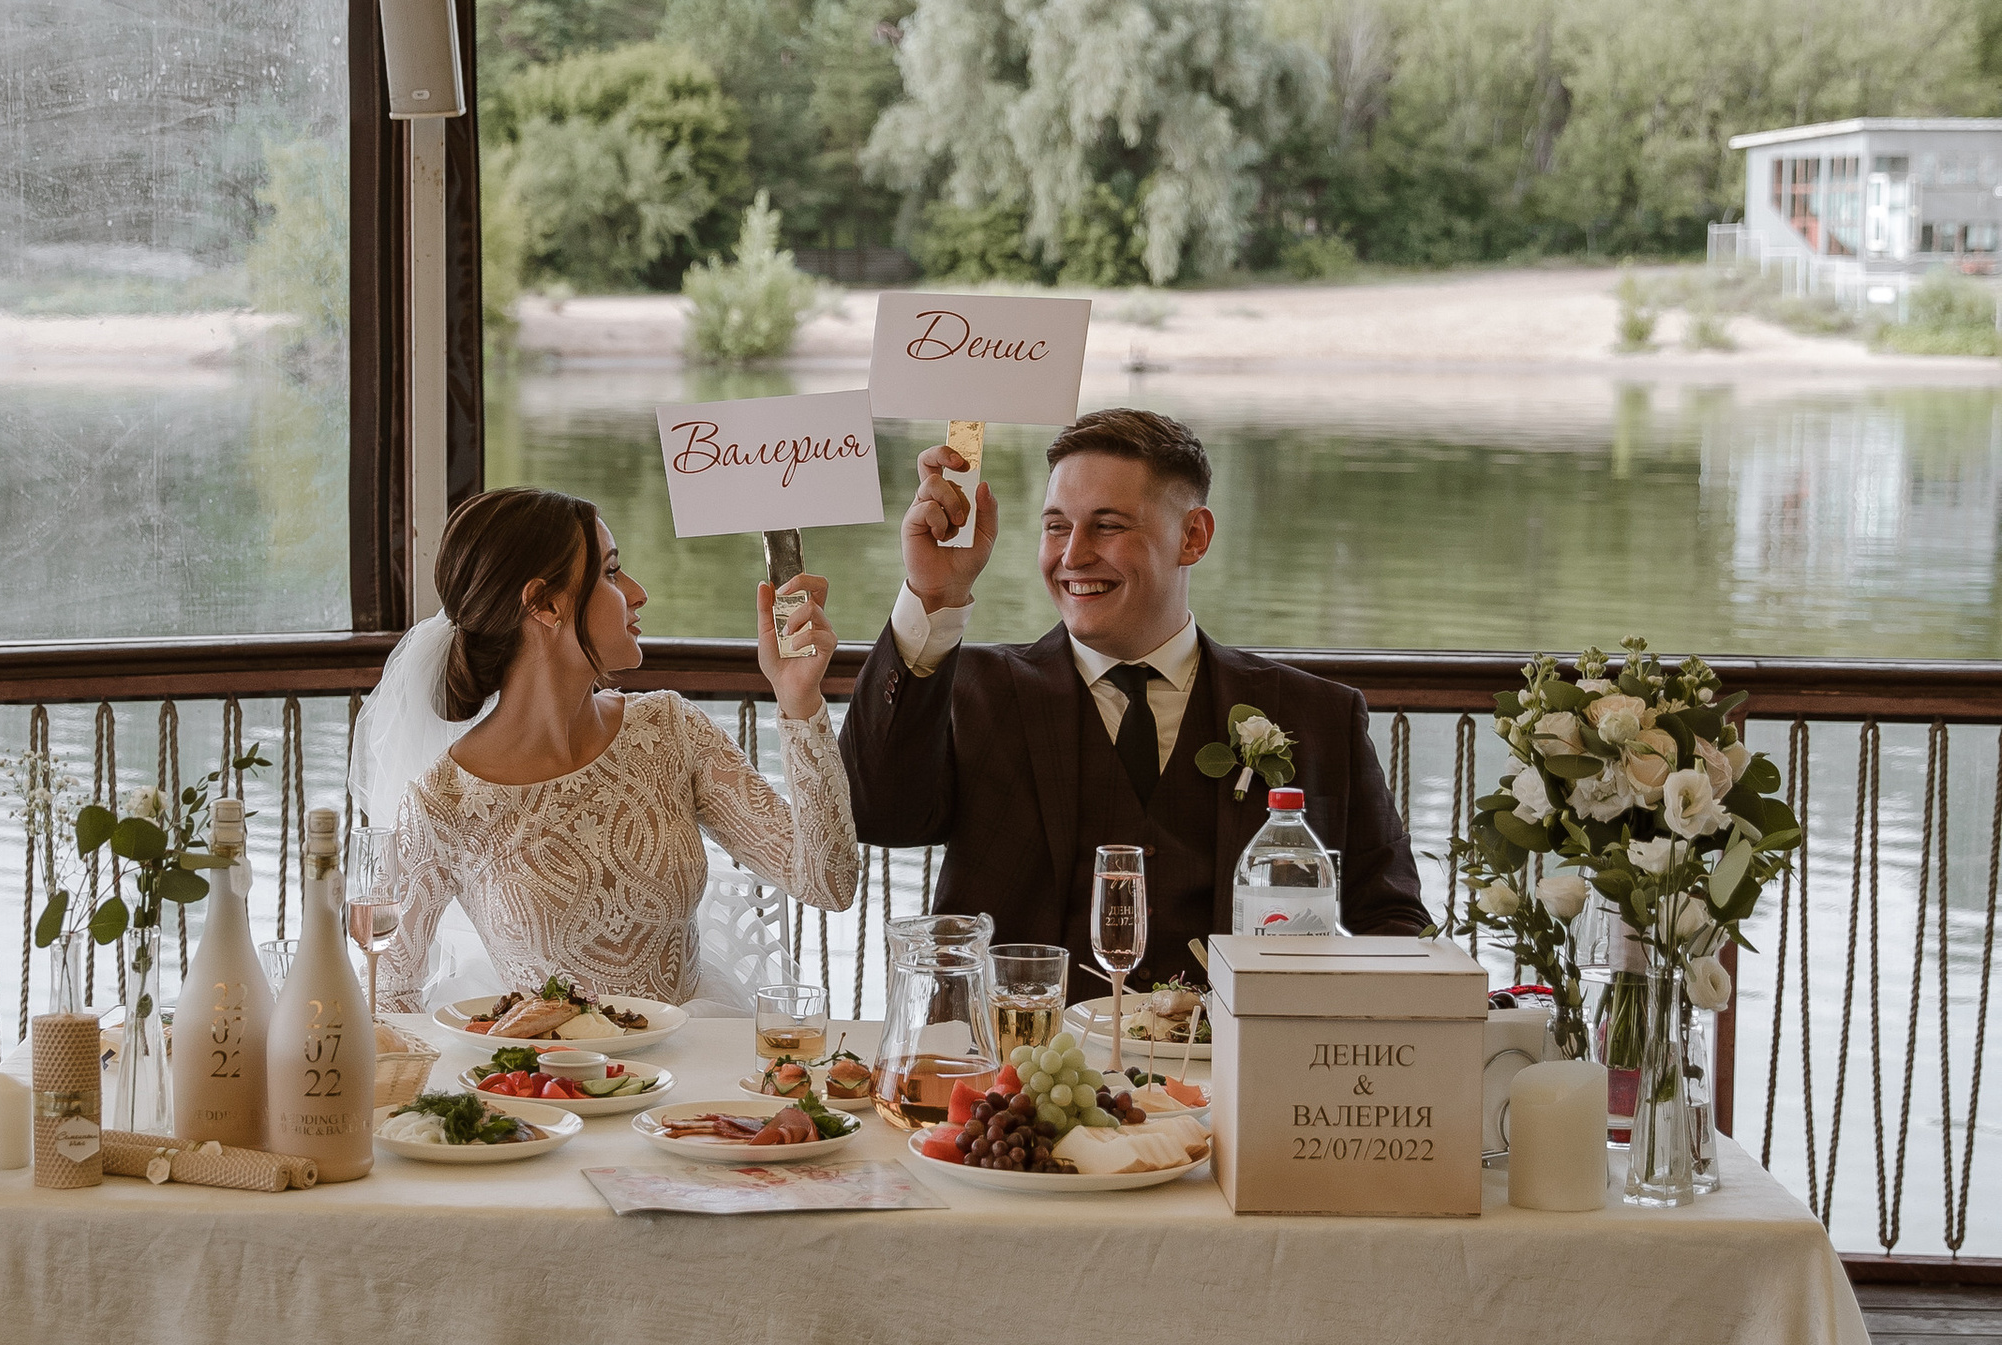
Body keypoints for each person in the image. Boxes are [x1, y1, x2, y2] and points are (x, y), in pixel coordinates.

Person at [838, 405, 1426, 986]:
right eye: (1056, 526)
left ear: (1192, 537)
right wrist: (933, 593)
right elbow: (875, 813)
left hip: (1234, 1047)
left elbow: (1394, 921)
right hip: (1020, 1045)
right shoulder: (974, 690)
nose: (1073, 556)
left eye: (1109, 525)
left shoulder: (1318, 716)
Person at [372, 486, 858, 1009]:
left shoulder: (669, 731)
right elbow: (387, 991)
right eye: (611, 572)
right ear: (546, 604)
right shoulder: (441, 803)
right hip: (543, 1064)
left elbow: (828, 882)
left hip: (694, 1046)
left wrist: (799, 700)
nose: (638, 592)